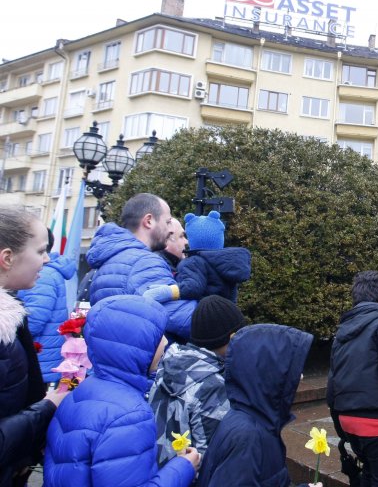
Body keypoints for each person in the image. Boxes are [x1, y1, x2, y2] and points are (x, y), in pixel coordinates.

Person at [43, 294, 200, 486]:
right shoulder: (130, 416)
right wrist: (182, 468)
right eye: (158, 337)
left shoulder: (81, 393)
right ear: (137, 345)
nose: (166, 342)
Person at [197, 323, 313, 487]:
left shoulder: (254, 420)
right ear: (270, 375)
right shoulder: (248, 437)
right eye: (290, 372)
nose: (300, 377)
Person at [0, 206, 68, 487]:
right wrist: (48, 407)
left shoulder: (11, 314)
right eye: (40, 251)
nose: (47, 259)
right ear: (7, 258)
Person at [327, 271, 378, 487]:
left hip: (348, 420)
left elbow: (333, 380)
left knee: (369, 475)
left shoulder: (342, 330)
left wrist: (338, 422)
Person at [149, 295, 245, 467]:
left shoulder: (170, 363)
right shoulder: (211, 384)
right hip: (187, 473)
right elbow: (213, 454)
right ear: (232, 337)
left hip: (161, 467)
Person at [86, 193, 196, 341]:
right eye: (168, 221)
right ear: (149, 221)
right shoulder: (144, 263)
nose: (171, 229)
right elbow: (184, 319)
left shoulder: (110, 260)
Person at [144, 211, 251, 304]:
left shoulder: (194, 262)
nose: (186, 241)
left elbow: (193, 287)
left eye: (185, 236)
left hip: (204, 315)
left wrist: (168, 291)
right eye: (182, 236)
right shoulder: (227, 263)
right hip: (226, 316)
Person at [19, 228, 77, 384]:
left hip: (39, 361)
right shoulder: (46, 272)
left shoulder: (42, 275)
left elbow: (34, 321)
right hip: (41, 359)